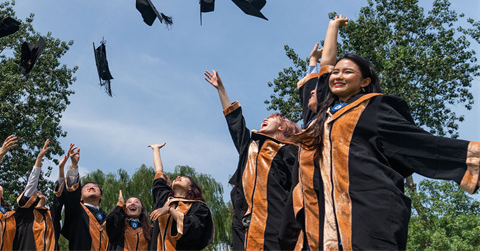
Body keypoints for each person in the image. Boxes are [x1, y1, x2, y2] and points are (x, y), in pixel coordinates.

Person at [285, 17, 480, 250]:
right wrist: (332, 26)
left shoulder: (373, 108)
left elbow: (419, 143)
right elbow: (326, 65)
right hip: (323, 221)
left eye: (348, 72)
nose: (337, 76)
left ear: (364, 81)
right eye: (336, 73)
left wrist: (471, 157)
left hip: (369, 212)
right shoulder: (321, 118)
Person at [204, 69, 299, 250]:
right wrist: (221, 89)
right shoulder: (249, 146)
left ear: (282, 126)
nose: (265, 118)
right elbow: (235, 122)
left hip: (275, 218)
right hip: (244, 220)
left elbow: (298, 186)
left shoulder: (288, 151)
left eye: (272, 118)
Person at [147, 143, 214, 251]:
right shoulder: (164, 198)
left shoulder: (198, 207)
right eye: (176, 177)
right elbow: (159, 172)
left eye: (183, 177)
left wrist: (170, 210)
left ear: (190, 188)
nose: (178, 177)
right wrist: (156, 150)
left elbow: (194, 229)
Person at [13, 142, 63, 251]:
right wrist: (39, 159)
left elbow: (59, 197)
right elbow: (31, 186)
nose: (39, 193)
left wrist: (61, 169)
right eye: (36, 193)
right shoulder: (24, 216)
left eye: (41, 193)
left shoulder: (51, 215)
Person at [62, 143, 109, 250]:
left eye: (95, 186)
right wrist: (74, 165)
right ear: (80, 197)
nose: (91, 187)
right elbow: (71, 193)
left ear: (101, 196)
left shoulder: (108, 218)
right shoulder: (77, 211)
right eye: (87, 186)